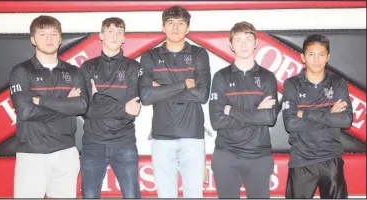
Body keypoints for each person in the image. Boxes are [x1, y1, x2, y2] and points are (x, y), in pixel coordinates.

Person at [9, 15, 89, 198]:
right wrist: (66, 105)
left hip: (66, 154)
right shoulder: (21, 71)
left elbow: (82, 106)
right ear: (33, 39)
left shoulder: (74, 72)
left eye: (54, 34)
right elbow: (26, 111)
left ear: (60, 39)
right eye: (43, 34)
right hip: (32, 155)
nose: (49, 39)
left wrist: (42, 101)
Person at [138, 5, 211, 198]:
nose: (175, 27)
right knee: (166, 195)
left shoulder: (199, 54)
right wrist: (183, 85)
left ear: (187, 29)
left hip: (192, 137)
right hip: (162, 138)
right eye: (170, 23)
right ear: (163, 28)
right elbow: (145, 97)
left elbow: (202, 95)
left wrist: (160, 89)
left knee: (194, 194)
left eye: (181, 23)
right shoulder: (149, 56)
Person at [208, 21, 278, 199]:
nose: (244, 44)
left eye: (248, 39)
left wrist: (231, 110)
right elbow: (216, 121)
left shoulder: (267, 77)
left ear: (256, 43)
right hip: (226, 155)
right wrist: (257, 113)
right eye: (238, 40)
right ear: (231, 45)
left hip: (259, 157)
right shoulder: (221, 77)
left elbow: (269, 118)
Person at [282, 34, 352, 199]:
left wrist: (305, 114)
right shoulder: (291, 84)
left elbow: (346, 120)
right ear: (303, 57)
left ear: (328, 57)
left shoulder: (338, 83)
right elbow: (290, 123)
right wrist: (329, 116)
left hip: (332, 160)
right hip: (301, 161)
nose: (316, 60)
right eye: (311, 54)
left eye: (321, 55)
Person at [79, 17, 141, 198]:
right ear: (101, 35)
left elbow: (133, 111)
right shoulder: (88, 67)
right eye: (110, 31)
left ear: (124, 38)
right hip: (93, 145)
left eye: (119, 32)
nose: (114, 36)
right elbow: (86, 109)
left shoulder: (134, 67)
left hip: (124, 143)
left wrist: (98, 97)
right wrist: (122, 107)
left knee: (132, 196)